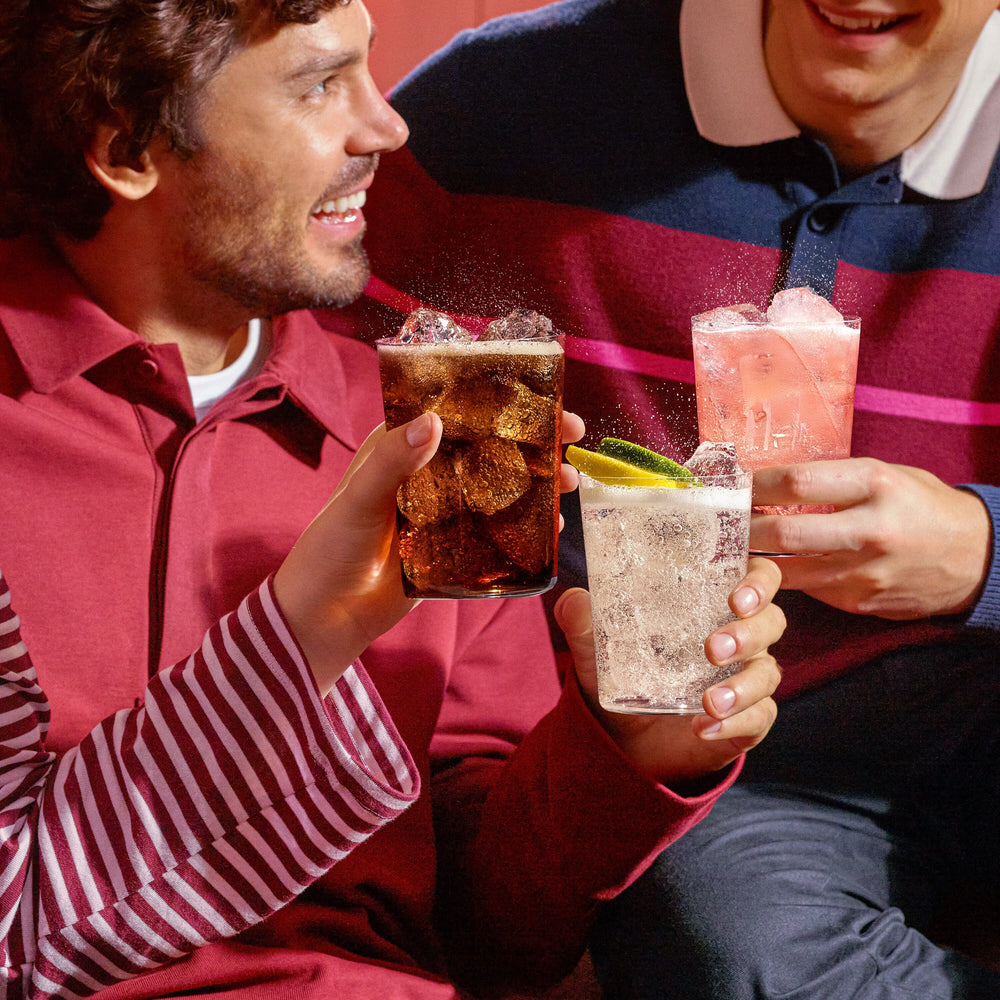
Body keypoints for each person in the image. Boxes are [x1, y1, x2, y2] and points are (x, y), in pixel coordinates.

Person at [0, 2, 786, 998]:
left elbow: (493, 936)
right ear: (126, 145)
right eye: (318, 84)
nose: (388, 127)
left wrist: (628, 745)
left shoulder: (464, 418)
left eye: (367, 75)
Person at [344, 0, 1000, 996]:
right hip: (746, 784)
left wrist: (984, 551)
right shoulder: (501, 116)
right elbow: (310, 444)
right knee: (728, 945)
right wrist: (609, 739)